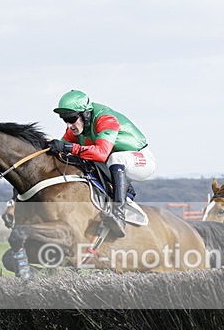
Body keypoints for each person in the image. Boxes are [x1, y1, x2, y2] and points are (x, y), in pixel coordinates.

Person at [48, 90, 155, 237]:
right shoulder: (75, 128)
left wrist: (68, 147)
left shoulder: (105, 119)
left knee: (115, 159)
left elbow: (101, 153)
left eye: (72, 118)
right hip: (113, 162)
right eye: (64, 119)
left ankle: (119, 213)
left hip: (141, 159)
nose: (69, 125)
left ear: (85, 114)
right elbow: (62, 150)